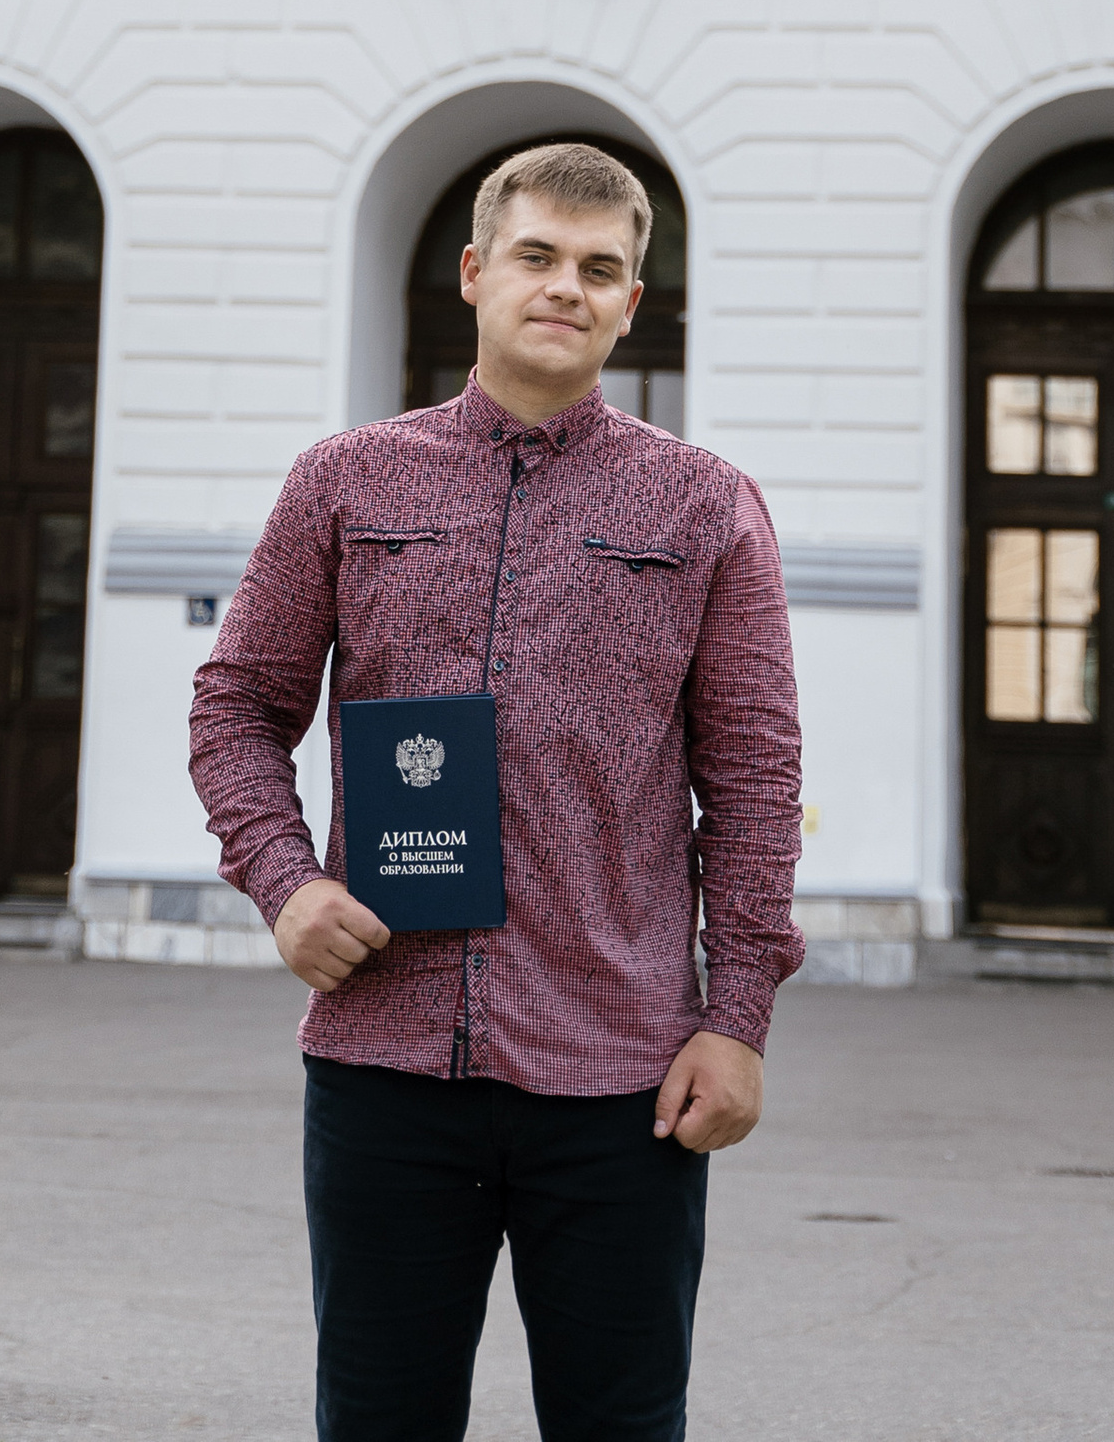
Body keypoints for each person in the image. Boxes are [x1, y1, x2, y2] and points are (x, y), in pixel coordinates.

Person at [189, 139, 804, 1442]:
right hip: (387, 1065)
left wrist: (738, 1018)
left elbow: (752, 777)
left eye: (600, 268)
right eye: (536, 256)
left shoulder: (706, 507)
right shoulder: (344, 482)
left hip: (624, 1080)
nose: (564, 287)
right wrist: (284, 886)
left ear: (633, 302)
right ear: (476, 273)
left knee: (622, 1428)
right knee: (378, 1423)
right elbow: (238, 707)